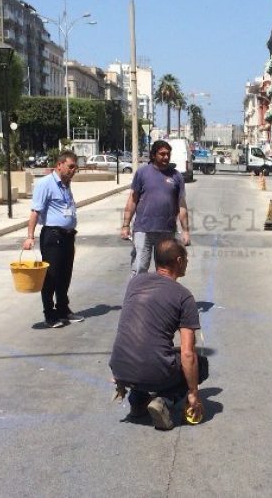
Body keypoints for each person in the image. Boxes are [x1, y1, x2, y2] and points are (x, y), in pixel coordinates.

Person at [109, 238, 207, 430]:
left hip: (120, 367)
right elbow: (188, 354)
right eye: (186, 259)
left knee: (156, 355)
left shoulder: (135, 283)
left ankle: (138, 402)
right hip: (152, 371)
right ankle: (165, 401)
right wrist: (193, 393)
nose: (187, 263)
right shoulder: (183, 296)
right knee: (200, 364)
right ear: (179, 261)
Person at [22, 151, 85, 328]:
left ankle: (63, 309)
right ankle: (49, 313)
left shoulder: (66, 185)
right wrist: (29, 236)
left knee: (65, 275)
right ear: (59, 165)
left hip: (67, 236)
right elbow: (35, 211)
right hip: (53, 236)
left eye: (75, 167)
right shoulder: (46, 184)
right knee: (51, 276)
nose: (74, 170)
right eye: (71, 166)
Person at [120, 140, 191, 277]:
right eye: (162, 154)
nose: (165, 157)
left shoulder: (176, 176)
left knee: (166, 271)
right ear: (153, 155)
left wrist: (186, 231)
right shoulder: (142, 173)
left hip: (167, 231)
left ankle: (162, 297)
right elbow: (132, 201)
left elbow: (182, 206)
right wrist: (125, 225)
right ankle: (137, 297)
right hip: (143, 230)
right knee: (140, 268)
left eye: (168, 154)